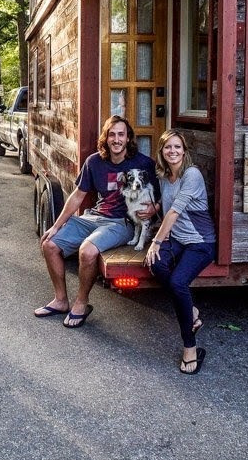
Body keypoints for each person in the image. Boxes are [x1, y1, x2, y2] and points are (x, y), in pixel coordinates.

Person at [34, 115, 157, 328]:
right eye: (112, 135)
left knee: (87, 251)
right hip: (93, 216)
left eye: (121, 134)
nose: (116, 139)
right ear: (106, 138)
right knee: (49, 245)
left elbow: (164, 190)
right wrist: (56, 226)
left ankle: (81, 302)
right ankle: (61, 300)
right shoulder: (94, 162)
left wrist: (155, 208)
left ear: (128, 138)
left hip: (121, 222)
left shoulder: (143, 163)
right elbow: (77, 196)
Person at [144, 129, 217, 375]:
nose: (172, 151)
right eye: (168, 147)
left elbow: (174, 212)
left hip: (200, 242)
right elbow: (166, 206)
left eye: (177, 147)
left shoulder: (192, 174)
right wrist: (153, 208)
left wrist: (156, 241)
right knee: (155, 264)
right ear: (162, 152)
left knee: (177, 282)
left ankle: (190, 347)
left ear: (184, 151)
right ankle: (192, 312)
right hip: (177, 238)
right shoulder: (164, 176)